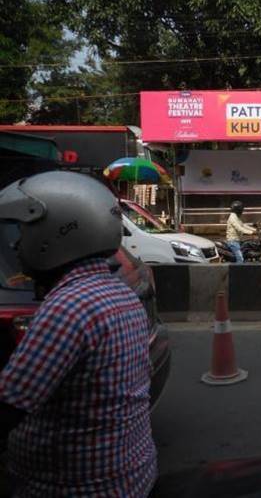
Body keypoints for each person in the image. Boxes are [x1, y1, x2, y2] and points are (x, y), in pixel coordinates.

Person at [0, 171, 157, 497]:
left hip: (77, 488)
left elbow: (9, 405)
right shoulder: (118, 292)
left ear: (55, 234)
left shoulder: (69, 307)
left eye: (26, 230)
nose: (16, 243)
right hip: (131, 476)